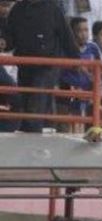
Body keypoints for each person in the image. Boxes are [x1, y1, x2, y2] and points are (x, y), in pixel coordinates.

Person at [6, 0, 80, 132]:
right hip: (24, 67)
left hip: (46, 67)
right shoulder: (17, 9)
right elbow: (9, 39)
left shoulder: (53, 10)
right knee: (25, 105)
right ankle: (28, 140)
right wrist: (4, 42)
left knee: (35, 106)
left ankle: (33, 140)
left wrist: (77, 60)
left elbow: (66, 37)